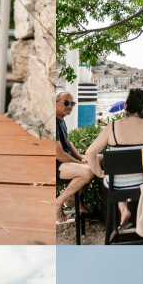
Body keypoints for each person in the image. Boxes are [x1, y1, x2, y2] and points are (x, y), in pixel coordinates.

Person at [85, 88, 143, 228]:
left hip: (117, 184)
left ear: (125, 107)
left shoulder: (112, 127)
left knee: (118, 172)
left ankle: (124, 209)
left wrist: (98, 172)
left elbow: (90, 153)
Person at [54, 91, 95, 225]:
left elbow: (68, 144)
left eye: (72, 103)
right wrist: (80, 163)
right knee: (88, 171)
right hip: (55, 165)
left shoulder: (61, 120)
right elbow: (59, 155)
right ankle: (58, 202)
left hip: (64, 162)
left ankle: (73, 197)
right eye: (66, 102)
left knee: (97, 159)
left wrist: (82, 157)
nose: (70, 106)